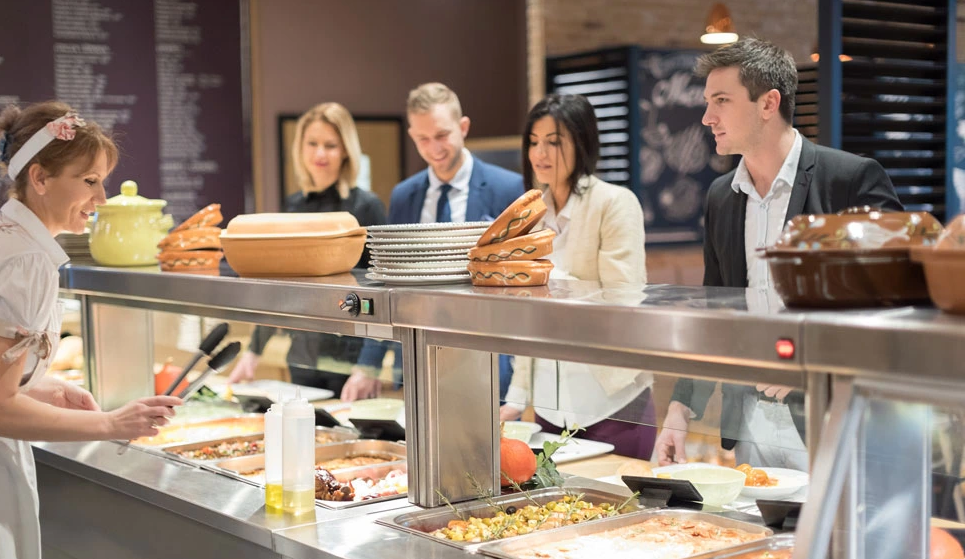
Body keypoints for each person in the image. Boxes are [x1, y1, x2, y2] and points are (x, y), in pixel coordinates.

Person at [0, 101, 182, 559]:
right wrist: (113, 424)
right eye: (89, 180)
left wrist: (42, 385)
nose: (101, 199)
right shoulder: (27, 262)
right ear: (39, 178)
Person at [653, 37, 901, 469]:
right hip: (749, 424)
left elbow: (898, 299)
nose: (708, 117)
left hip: (839, 418)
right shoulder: (720, 196)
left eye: (722, 101)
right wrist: (681, 407)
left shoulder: (851, 179)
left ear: (769, 103)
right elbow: (717, 308)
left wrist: (809, 356)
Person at [340, 83, 524, 402]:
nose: (434, 148)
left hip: (487, 358)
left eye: (442, 135)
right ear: (412, 135)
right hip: (416, 360)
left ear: (463, 127)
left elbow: (522, 284)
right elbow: (388, 282)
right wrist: (368, 365)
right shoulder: (403, 196)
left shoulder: (508, 189)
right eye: (423, 139)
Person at [497, 93, 656, 460]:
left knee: (622, 509)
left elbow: (623, 300)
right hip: (549, 407)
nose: (540, 153)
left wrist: (547, 282)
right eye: (534, 142)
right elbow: (526, 318)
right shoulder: (530, 215)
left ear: (582, 142)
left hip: (614, 401)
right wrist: (517, 397)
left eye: (554, 142)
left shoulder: (615, 203)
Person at [228, 103, 386, 396]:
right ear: (300, 148)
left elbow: (380, 291)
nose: (320, 154)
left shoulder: (367, 207)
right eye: (312, 143)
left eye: (330, 145)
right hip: (302, 356)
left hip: (349, 362)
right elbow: (280, 287)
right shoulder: (294, 207)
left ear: (346, 150)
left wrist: (368, 366)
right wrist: (253, 352)